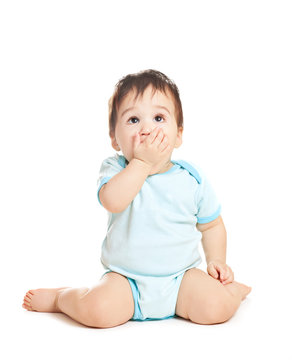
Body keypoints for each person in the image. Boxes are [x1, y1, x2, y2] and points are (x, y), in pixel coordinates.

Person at [23, 69, 251, 328]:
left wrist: (216, 261)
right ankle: (61, 298)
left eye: (158, 118)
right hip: (125, 281)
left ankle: (232, 292)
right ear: (114, 138)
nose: (146, 130)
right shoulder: (116, 169)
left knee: (215, 308)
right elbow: (113, 201)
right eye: (133, 120)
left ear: (178, 134)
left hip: (181, 279)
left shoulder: (191, 178)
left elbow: (211, 225)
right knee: (98, 311)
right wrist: (142, 162)